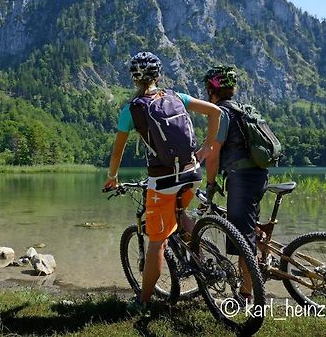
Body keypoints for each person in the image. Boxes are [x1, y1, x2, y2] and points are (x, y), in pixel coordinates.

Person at [103, 51, 221, 314]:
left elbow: (117, 153)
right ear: (158, 75)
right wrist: (207, 148)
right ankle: (203, 264)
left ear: (134, 78)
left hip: (163, 180)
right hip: (193, 173)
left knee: (157, 242)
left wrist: (112, 177)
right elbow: (215, 112)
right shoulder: (176, 96)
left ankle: (143, 302)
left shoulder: (132, 110)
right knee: (181, 213)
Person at [203, 65, 269, 300]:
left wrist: (210, 185)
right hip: (257, 176)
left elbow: (213, 153)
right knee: (248, 227)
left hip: (242, 180)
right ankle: (264, 261)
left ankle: (247, 294)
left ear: (212, 90)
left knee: (242, 238)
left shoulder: (220, 113)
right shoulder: (240, 109)